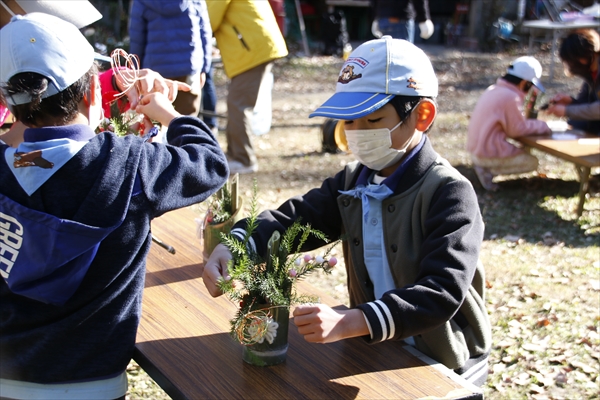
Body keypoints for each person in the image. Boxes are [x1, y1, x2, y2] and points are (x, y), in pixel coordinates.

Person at [203, 36, 492, 386]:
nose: (356, 133)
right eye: (348, 121)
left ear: (421, 115)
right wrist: (235, 245)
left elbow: (442, 291)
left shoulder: (449, 192)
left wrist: (353, 321)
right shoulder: (354, 180)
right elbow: (295, 219)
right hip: (378, 350)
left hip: (445, 361)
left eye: (371, 120)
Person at [0, 12, 228, 399]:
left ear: (10, 104)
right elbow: (209, 163)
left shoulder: (6, 169)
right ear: (92, 94)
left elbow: (34, 157)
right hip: (96, 383)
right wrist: (168, 115)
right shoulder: (132, 166)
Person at [206, 0, 288, 174]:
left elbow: (208, 19)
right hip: (255, 46)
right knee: (236, 103)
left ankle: (244, 159)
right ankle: (234, 155)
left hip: (253, 48)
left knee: (239, 104)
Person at [467, 56, 551, 191]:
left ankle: (485, 167)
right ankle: (488, 170)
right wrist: (545, 126)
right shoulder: (510, 97)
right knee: (532, 162)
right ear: (524, 83)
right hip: (486, 152)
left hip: (475, 149)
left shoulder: (493, 89)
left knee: (521, 152)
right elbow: (517, 130)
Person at [129, 0, 212, 117]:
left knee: (155, 122)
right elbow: (205, 33)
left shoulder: (142, 2)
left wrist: (134, 72)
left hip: (155, 72)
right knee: (187, 121)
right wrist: (204, 68)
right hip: (189, 66)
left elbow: (137, 39)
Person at [545, 29, 600, 135]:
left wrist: (567, 110)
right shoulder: (592, 74)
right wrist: (571, 102)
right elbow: (587, 104)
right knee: (577, 123)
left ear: (582, 57)